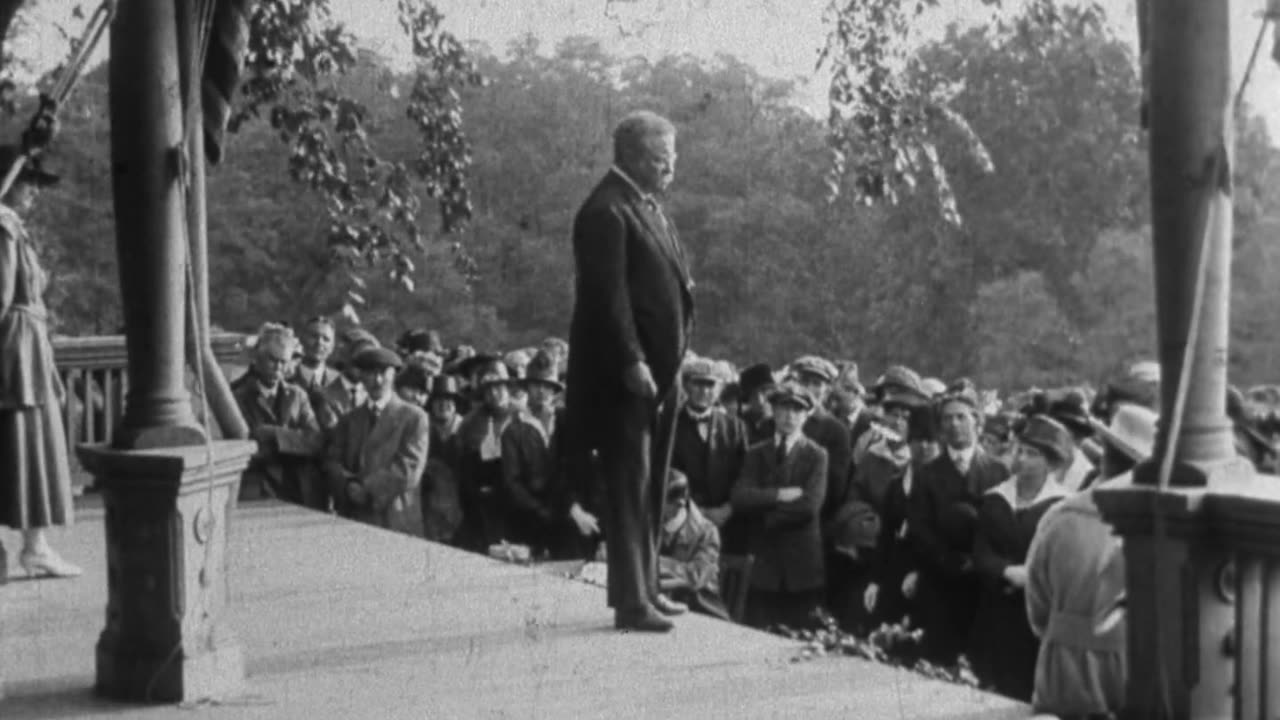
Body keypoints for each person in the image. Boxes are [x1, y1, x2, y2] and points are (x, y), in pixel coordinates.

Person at [563, 110, 694, 633]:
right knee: (628, 484)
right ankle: (630, 600)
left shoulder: (649, 208)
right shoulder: (605, 212)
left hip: (663, 375)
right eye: (663, 159)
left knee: (652, 486)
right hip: (626, 378)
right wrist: (633, 360)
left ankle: (649, 586)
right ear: (634, 157)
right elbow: (608, 300)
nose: (671, 168)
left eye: (673, 157)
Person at [1024, 403, 1156, 717]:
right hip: (1132, 673)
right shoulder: (1161, 530)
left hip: (1061, 669)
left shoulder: (1059, 517)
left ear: (1105, 454)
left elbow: (1037, 605)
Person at [0, 146, 81, 579]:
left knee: (23, 442)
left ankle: (34, 545)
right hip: (14, 350)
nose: (34, 191)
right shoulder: (3, 228)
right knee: (20, 441)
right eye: (29, 182)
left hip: (27, 345)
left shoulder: (11, 226)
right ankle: (33, 546)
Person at [968, 415, 1072, 701]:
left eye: (1033, 454)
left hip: (1031, 618)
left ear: (1050, 463)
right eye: (1021, 451)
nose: (1022, 459)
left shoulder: (1062, 508)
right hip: (990, 609)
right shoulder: (995, 499)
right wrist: (1004, 571)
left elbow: (1062, 561)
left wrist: (1032, 576)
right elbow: (980, 551)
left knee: (1018, 693)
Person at [732, 382, 829, 630]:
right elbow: (741, 497)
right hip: (764, 563)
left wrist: (764, 516)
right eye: (784, 409)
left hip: (801, 565)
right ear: (773, 411)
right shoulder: (755, 453)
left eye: (797, 410)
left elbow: (809, 506)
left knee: (798, 638)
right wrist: (778, 495)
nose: (789, 416)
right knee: (757, 636)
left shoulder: (817, 455)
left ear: (806, 415)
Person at [323, 346, 430, 536]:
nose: (378, 380)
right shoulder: (349, 420)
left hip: (397, 517)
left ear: (394, 375)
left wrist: (368, 489)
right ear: (361, 377)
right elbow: (332, 461)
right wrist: (348, 486)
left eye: (384, 373)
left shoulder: (414, 417)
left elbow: (409, 468)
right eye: (371, 374)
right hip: (356, 517)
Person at [234, 323, 325, 507]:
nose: (278, 367)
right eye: (272, 360)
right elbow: (242, 446)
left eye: (284, 362)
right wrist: (293, 441)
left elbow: (315, 441)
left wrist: (273, 433)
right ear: (257, 357)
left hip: (296, 490)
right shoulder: (238, 396)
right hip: (254, 489)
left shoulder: (298, 395)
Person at [658, 468, 730, 621]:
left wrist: (653, 563)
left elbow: (696, 575)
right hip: (660, 606)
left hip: (701, 612)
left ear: (679, 504)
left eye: (659, 502)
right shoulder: (651, 521)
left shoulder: (707, 532)